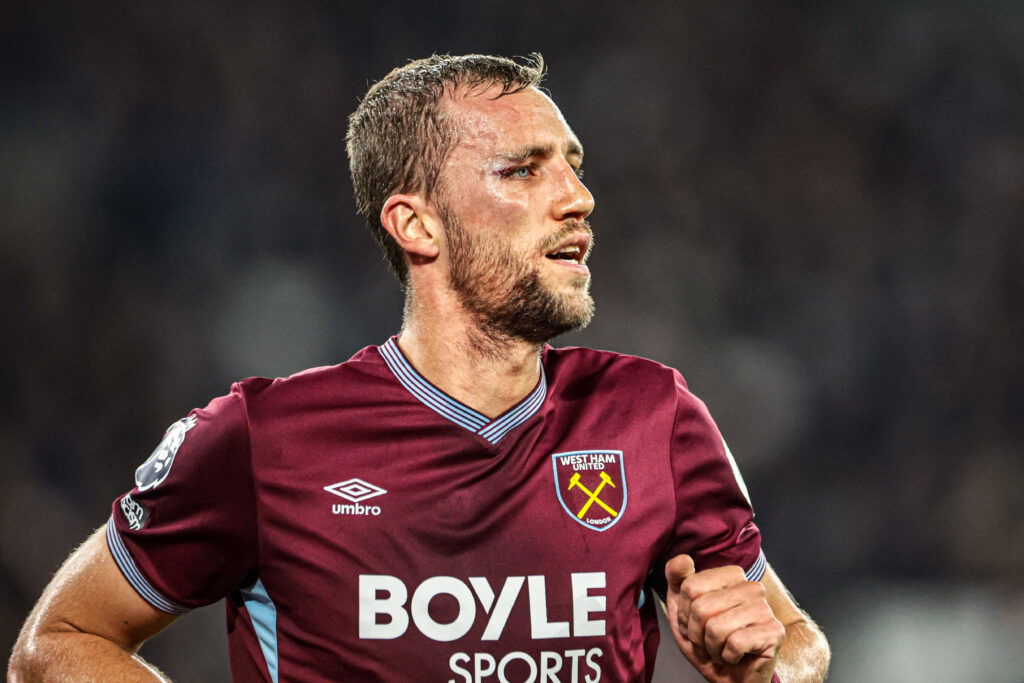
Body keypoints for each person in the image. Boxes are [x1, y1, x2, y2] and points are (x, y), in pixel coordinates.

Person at [10, 54, 830, 682]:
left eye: (574, 164)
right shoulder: (266, 439)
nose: (577, 196)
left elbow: (797, 640)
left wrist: (766, 666)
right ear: (416, 224)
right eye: (523, 169)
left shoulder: (651, 412)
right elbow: (60, 641)